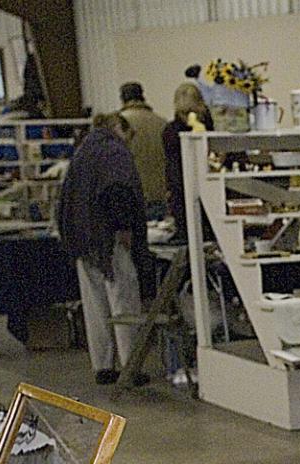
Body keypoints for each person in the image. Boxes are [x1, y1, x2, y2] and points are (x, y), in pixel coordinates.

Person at [57, 113, 149, 385]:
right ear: (119, 128)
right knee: (123, 299)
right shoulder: (114, 152)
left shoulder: (83, 151)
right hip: (109, 239)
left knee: (95, 304)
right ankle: (130, 363)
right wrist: (124, 228)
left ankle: (103, 365)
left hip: (83, 239)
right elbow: (117, 190)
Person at [162, 82, 213, 241]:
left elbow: (172, 168)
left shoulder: (170, 131)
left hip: (182, 193)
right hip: (210, 189)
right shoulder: (211, 128)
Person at [118, 81, 169, 210]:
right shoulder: (162, 122)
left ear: (123, 98)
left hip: (134, 195)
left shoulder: (119, 124)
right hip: (161, 193)